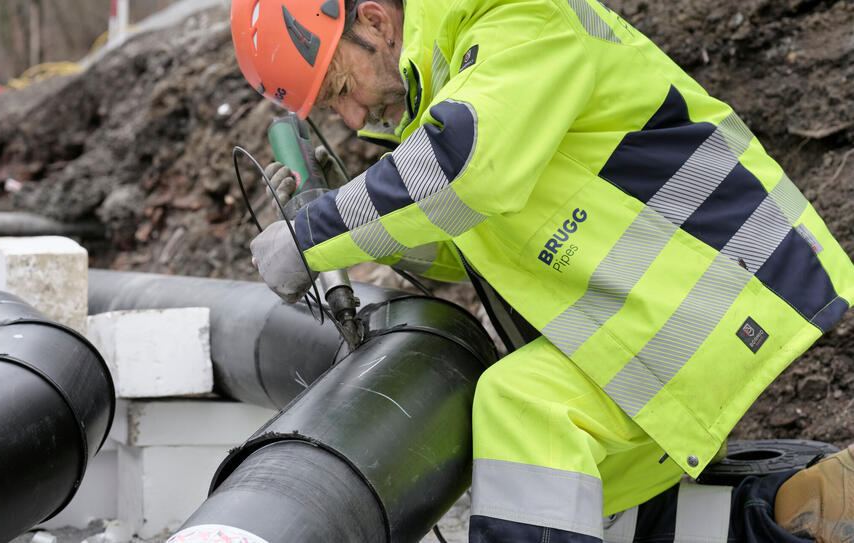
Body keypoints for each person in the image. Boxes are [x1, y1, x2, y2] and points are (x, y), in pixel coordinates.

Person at [231, 0, 854, 541]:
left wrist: (313, 233)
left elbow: (468, 168)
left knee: (523, 411)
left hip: (721, 281)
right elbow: (473, 233)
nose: (352, 118)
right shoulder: (457, 76)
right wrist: (368, 231)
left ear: (374, 20)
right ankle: (807, 511)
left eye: (340, 87)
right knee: (576, 504)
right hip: (658, 311)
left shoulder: (513, 15)